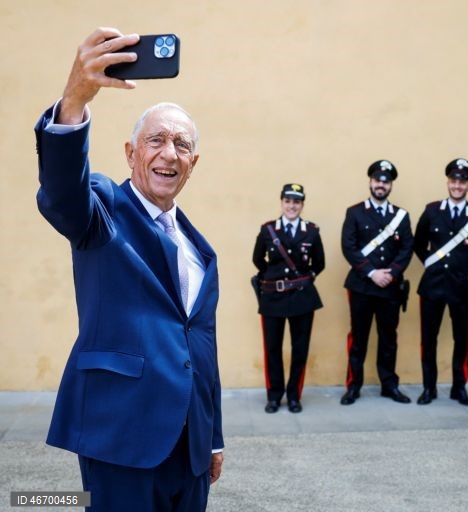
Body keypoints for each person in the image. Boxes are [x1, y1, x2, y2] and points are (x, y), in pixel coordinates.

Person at [35, 28, 223, 511]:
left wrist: (213, 436)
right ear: (130, 153)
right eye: (155, 140)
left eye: (181, 144)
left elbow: (201, 348)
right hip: (121, 439)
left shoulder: (201, 251)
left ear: (193, 162)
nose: (169, 153)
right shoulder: (103, 210)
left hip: (191, 449)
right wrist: (74, 101)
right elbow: (62, 195)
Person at [413, 158, 468, 406]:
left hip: (462, 287)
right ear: (448, 182)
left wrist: (465, 270)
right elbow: (418, 243)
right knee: (428, 339)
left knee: (462, 340)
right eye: (454, 181)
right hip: (432, 286)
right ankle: (429, 388)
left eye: (462, 182)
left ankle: (459, 388)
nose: (457, 186)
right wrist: (431, 264)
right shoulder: (432, 210)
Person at [340, 160, 414, 405]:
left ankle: (389, 385)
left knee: (388, 338)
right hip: (362, 285)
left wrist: (391, 273)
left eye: (386, 181)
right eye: (377, 180)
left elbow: (406, 248)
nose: (381, 185)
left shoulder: (400, 216)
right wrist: (372, 273)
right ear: (370, 182)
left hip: (390, 287)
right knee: (358, 338)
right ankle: (353, 386)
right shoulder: (355, 212)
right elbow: (348, 246)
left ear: (391, 185)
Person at [252, 184, 325, 414]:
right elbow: (258, 260)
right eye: (288, 201)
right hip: (273, 298)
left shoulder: (311, 231)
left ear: (302, 205)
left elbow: (319, 263)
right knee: (272, 349)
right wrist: (273, 279)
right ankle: (274, 396)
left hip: (302, 298)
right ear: (282, 202)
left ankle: (294, 396)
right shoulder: (268, 230)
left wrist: (303, 279)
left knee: (299, 349)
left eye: (296, 202)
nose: (292, 206)